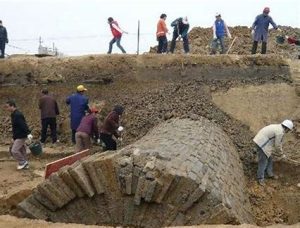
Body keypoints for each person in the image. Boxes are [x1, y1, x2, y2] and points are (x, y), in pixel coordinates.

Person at [253, 120, 293, 186]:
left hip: (259, 140)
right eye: (288, 130)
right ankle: (260, 178)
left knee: (270, 159)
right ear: (287, 128)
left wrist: (275, 151)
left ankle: (269, 173)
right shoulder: (280, 132)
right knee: (263, 162)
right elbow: (277, 145)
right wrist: (281, 154)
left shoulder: (277, 126)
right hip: (262, 144)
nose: (288, 132)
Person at [5, 100, 32, 170]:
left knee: (14, 150)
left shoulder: (17, 115)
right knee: (22, 149)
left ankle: (22, 162)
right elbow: (15, 127)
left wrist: (28, 133)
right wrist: (14, 137)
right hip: (17, 135)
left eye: (7, 107)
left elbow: (23, 125)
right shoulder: (13, 114)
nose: (6, 109)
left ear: (12, 106)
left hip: (21, 135)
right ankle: (25, 164)